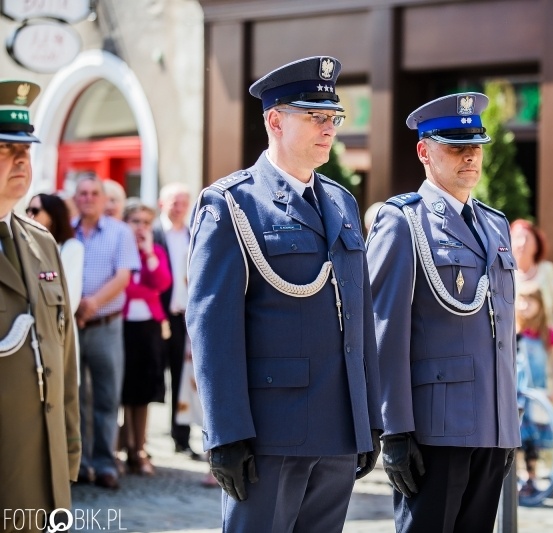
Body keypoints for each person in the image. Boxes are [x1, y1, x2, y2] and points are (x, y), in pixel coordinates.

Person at [186, 56, 382, 533]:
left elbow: (360, 315)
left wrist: (369, 416)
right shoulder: (231, 204)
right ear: (275, 121)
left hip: (338, 426)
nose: (329, 128)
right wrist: (225, 433)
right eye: (314, 116)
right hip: (270, 431)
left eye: (333, 117)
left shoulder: (341, 201)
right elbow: (213, 327)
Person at [367, 92, 519, 533]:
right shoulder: (403, 221)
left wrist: (507, 423)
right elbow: (384, 329)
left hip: (492, 424)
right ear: (424, 152)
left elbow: (502, 331)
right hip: (436, 428)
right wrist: (395, 429)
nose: (470, 156)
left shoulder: (495, 223)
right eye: (455, 147)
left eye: (476, 146)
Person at [0, 80, 80, 529]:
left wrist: (69, 451)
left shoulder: (41, 242)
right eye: (4, 149)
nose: (19, 160)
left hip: (45, 475)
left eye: (24, 150)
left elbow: (63, 357)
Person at [73, 175, 141, 490]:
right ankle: (79, 464)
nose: (88, 198)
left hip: (105, 325)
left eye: (94, 193)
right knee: (76, 398)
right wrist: (75, 306)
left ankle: (104, 464)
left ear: (103, 199)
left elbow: (123, 276)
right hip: (72, 326)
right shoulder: (65, 230)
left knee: (106, 397)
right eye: (82, 193)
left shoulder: (120, 232)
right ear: (76, 198)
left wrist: (91, 303)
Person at [120, 202, 172, 476]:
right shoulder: (119, 249)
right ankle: (122, 446)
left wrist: (149, 252)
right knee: (122, 390)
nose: (140, 227)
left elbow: (162, 283)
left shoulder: (156, 251)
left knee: (143, 391)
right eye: (135, 221)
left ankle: (139, 448)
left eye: (146, 222)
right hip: (121, 326)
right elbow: (124, 288)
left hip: (149, 328)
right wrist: (146, 289)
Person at [152, 182, 198, 458]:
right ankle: (137, 440)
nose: (179, 208)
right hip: (157, 316)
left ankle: (181, 438)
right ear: (162, 204)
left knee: (182, 379)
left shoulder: (194, 234)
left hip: (184, 318)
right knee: (153, 374)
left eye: (183, 203)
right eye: (174, 202)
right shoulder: (154, 234)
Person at [515, 285, 553, 506]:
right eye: (521, 301)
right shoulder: (514, 331)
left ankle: (531, 477)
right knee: (518, 438)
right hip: (518, 393)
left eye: (530, 301)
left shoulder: (547, 334)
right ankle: (518, 477)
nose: (525, 306)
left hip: (539, 394)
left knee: (534, 439)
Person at [26, 194, 84, 358]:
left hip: (56, 332)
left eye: (35, 210)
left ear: (52, 215)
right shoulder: (24, 246)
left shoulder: (71, 248)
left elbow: (69, 299)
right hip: (28, 334)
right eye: (27, 210)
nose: (29, 215)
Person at [510, 219, 553, 327]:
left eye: (527, 238)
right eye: (517, 238)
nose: (522, 243)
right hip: (517, 334)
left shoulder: (547, 269)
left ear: (536, 245)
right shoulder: (503, 274)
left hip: (547, 333)